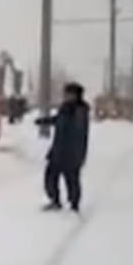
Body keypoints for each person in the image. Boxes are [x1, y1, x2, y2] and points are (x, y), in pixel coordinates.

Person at [34, 82, 90, 212]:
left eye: (70, 94)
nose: (67, 96)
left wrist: (76, 152)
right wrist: (45, 121)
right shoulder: (66, 108)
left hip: (73, 151)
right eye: (66, 94)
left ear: (77, 95)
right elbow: (59, 120)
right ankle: (55, 200)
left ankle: (74, 204)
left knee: (72, 179)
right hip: (59, 149)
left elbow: (77, 129)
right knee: (50, 176)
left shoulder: (80, 110)